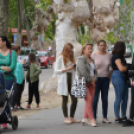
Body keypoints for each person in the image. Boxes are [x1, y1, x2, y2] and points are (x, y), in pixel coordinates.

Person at [55, 43, 80, 124]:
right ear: (66, 50)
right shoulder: (60, 58)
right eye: (69, 51)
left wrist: (75, 68)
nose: (71, 53)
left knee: (75, 99)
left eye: (71, 51)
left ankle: (72, 117)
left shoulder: (72, 58)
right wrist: (67, 69)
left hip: (72, 80)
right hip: (64, 81)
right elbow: (56, 71)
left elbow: (73, 70)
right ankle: (66, 117)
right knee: (65, 99)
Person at [92, 40, 113, 123]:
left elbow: (111, 66)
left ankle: (105, 117)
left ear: (106, 46)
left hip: (105, 79)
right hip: (96, 79)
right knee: (95, 99)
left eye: (104, 45)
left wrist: (109, 76)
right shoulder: (94, 54)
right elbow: (91, 67)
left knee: (105, 99)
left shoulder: (109, 55)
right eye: (100, 45)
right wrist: (92, 78)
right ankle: (94, 117)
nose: (102, 47)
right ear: (97, 46)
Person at [77, 43, 97, 127]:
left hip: (92, 83)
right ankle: (92, 119)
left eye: (91, 48)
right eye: (88, 48)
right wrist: (92, 79)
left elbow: (95, 71)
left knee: (90, 100)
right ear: (84, 50)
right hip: (84, 82)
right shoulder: (81, 59)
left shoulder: (92, 59)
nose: (90, 50)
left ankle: (85, 117)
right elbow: (83, 71)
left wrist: (95, 79)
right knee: (89, 100)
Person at [0, 36, 17, 129]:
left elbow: (12, 66)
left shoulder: (12, 53)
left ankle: (5, 117)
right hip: (0, 78)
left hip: (9, 78)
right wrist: (3, 68)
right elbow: (6, 67)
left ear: (4, 42)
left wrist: (6, 68)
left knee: (6, 98)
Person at [111, 41, 128, 123]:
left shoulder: (121, 56)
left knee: (125, 98)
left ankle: (123, 115)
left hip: (123, 77)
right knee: (119, 97)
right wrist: (127, 67)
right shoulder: (116, 56)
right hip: (118, 76)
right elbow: (121, 68)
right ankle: (117, 116)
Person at [11, 45, 25, 110]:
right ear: (18, 50)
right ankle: (12, 105)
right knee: (16, 91)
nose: (21, 51)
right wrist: (21, 64)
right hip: (16, 77)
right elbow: (14, 65)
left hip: (21, 77)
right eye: (20, 49)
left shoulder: (18, 57)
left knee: (20, 91)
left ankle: (18, 105)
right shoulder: (13, 57)